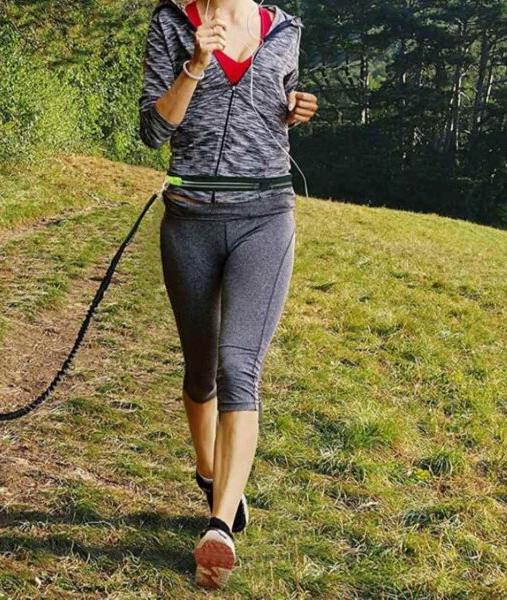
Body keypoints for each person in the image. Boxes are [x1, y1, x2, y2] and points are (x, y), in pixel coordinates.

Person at [139, 0, 318, 590]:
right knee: (201, 372)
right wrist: (195, 63)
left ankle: (219, 525)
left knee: (240, 364)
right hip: (189, 216)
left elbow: (275, 107)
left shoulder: (286, 29)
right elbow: (153, 129)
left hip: (266, 213)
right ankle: (211, 472)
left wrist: (295, 110)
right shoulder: (172, 23)